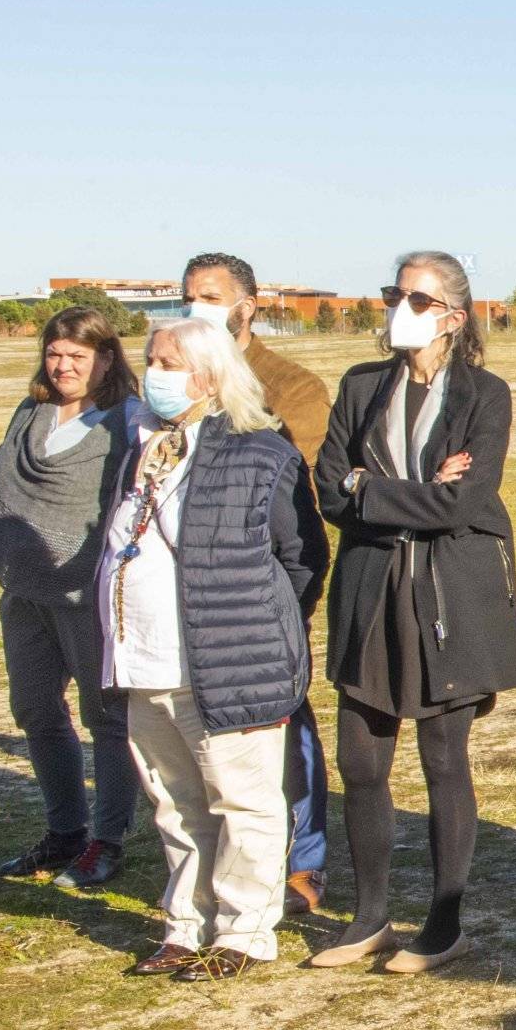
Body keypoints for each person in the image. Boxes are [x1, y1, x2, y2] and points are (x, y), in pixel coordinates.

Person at [308, 253, 516, 974]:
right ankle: (369, 918)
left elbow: (466, 502)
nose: (397, 305)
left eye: (415, 296)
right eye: (392, 293)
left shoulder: (484, 395)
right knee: (360, 759)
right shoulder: (362, 385)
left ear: (454, 317)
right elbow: (330, 491)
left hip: (448, 599)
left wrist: (372, 485)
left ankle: (444, 921)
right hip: (371, 590)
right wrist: (408, 490)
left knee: (443, 758)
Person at [102, 318, 325, 980]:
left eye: (168, 361)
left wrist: (265, 625)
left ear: (210, 374)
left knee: (244, 800)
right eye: (150, 359)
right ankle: (186, 925)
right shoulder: (143, 447)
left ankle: (244, 931)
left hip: (229, 658)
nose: (154, 372)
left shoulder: (259, 450)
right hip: (147, 659)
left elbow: (302, 555)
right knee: (175, 803)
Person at [0, 309, 145, 891]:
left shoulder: (127, 421)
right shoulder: (30, 413)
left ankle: (108, 842)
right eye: (54, 354)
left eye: (77, 355)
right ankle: (65, 831)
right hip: (22, 592)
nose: (63, 366)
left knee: (108, 719)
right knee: (37, 713)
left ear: (106, 358)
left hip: (88, 597)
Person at [181, 252, 336, 919]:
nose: (198, 308)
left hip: (262, 582)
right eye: (187, 296)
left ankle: (305, 860)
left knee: (286, 717)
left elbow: (297, 501)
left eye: (211, 296)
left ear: (249, 304)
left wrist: (287, 601)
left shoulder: (291, 385)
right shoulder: (179, 375)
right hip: (192, 585)